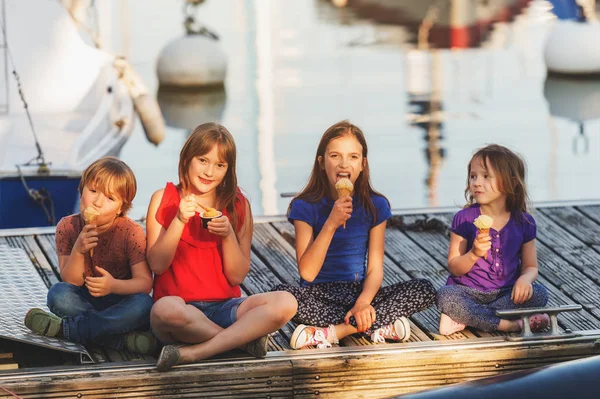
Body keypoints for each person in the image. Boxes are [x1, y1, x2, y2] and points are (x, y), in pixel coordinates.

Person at [146, 123, 297, 371]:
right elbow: (157, 265)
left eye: (220, 165)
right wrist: (180, 220)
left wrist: (228, 235)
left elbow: (236, 276)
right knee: (163, 310)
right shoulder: (163, 198)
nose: (209, 172)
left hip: (226, 308)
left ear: (228, 169)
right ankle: (240, 343)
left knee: (286, 302)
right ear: (187, 159)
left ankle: (197, 352)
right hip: (181, 311)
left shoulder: (238, 204)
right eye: (203, 160)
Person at [273, 120, 436, 349]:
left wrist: (363, 303)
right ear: (321, 162)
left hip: (358, 293)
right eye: (335, 156)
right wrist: (331, 223)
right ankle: (379, 324)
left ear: (363, 164)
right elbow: (307, 273)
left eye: (353, 157)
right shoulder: (304, 206)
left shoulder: (375, 205)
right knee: (279, 296)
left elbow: (374, 269)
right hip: (318, 295)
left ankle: (330, 333)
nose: (343, 163)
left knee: (425, 289)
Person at [24, 157, 156, 354]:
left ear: (121, 208)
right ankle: (119, 340)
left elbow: (145, 283)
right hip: (85, 299)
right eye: (93, 191)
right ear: (82, 189)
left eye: (110, 198)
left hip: (121, 299)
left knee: (144, 305)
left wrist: (113, 285)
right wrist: (79, 249)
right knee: (58, 294)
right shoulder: (67, 227)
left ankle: (67, 330)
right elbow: (71, 280)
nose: (98, 202)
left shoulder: (130, 232)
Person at [436, 144, 549, 335]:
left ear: (511, 182)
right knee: (445, 296)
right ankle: (508, 324)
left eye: (486, 176)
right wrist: (473, 254)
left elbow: (531, 266)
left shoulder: (524, 222)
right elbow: (454, 267)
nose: (477, 182)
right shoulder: (464, 219)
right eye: (473, 176)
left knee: (540, 293)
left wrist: (524, 280)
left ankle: (469, 318)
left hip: (506, 293)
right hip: (467, 292)